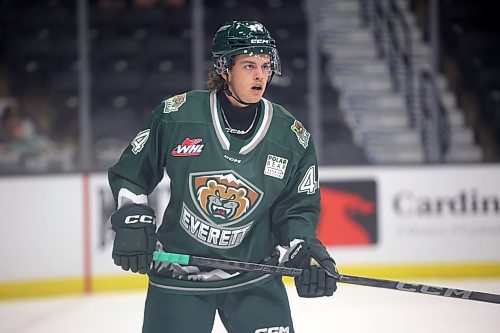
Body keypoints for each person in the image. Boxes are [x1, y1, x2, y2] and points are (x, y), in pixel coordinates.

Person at [108, 20, 338, 333]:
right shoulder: (179, 115)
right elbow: (132, 174)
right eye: (249, 65)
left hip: (255, 276)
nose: (260, 75)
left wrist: (304, 247)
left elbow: (296, 208)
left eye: (266, 65)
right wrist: (133, 216)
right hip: (178, 274)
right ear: (223, 69)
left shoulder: (290, 136)